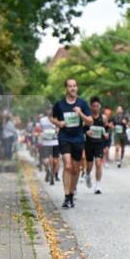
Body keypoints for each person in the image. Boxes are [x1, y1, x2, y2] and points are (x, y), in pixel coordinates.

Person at [51, 78, 93, 209]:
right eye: (70, 86)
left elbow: (90, 122)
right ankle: (67, 196)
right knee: (68, 166)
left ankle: (72, 191)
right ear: (66, 88)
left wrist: (81, 114)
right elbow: (51, 117)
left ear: (77, 88)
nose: (73, 88)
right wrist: (59, 123)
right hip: (64, 137)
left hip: (78, 139)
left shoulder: (83, 103)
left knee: (75, 169)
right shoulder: (60, 104)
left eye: (74, 86)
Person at [84, 96, 109, 194]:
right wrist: (86, 132)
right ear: (91, 107)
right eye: (94, 106)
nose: (95, 108)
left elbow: (106, 130)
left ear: (100, 106)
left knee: (98, 163)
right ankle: (87, 174)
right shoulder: (87, 118)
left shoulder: (103, 118)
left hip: (99, 144)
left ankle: (98, 185)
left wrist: (106, 135)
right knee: (89, 165)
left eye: (97, 106)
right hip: (89, 144)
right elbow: (83, 128)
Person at [38, 106, 60, 185]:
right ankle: (48, 171)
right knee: (46, 161)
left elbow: (59, 128)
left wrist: (57, 130)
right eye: (48, 109)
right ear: (46, 111)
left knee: (55, 161)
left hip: (55, 142)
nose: (49, 111)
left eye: (51, 110)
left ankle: (52, 175)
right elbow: (39, 130)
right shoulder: (42, 120)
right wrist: (41, 135)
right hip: (45, 143)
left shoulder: (56, 119)